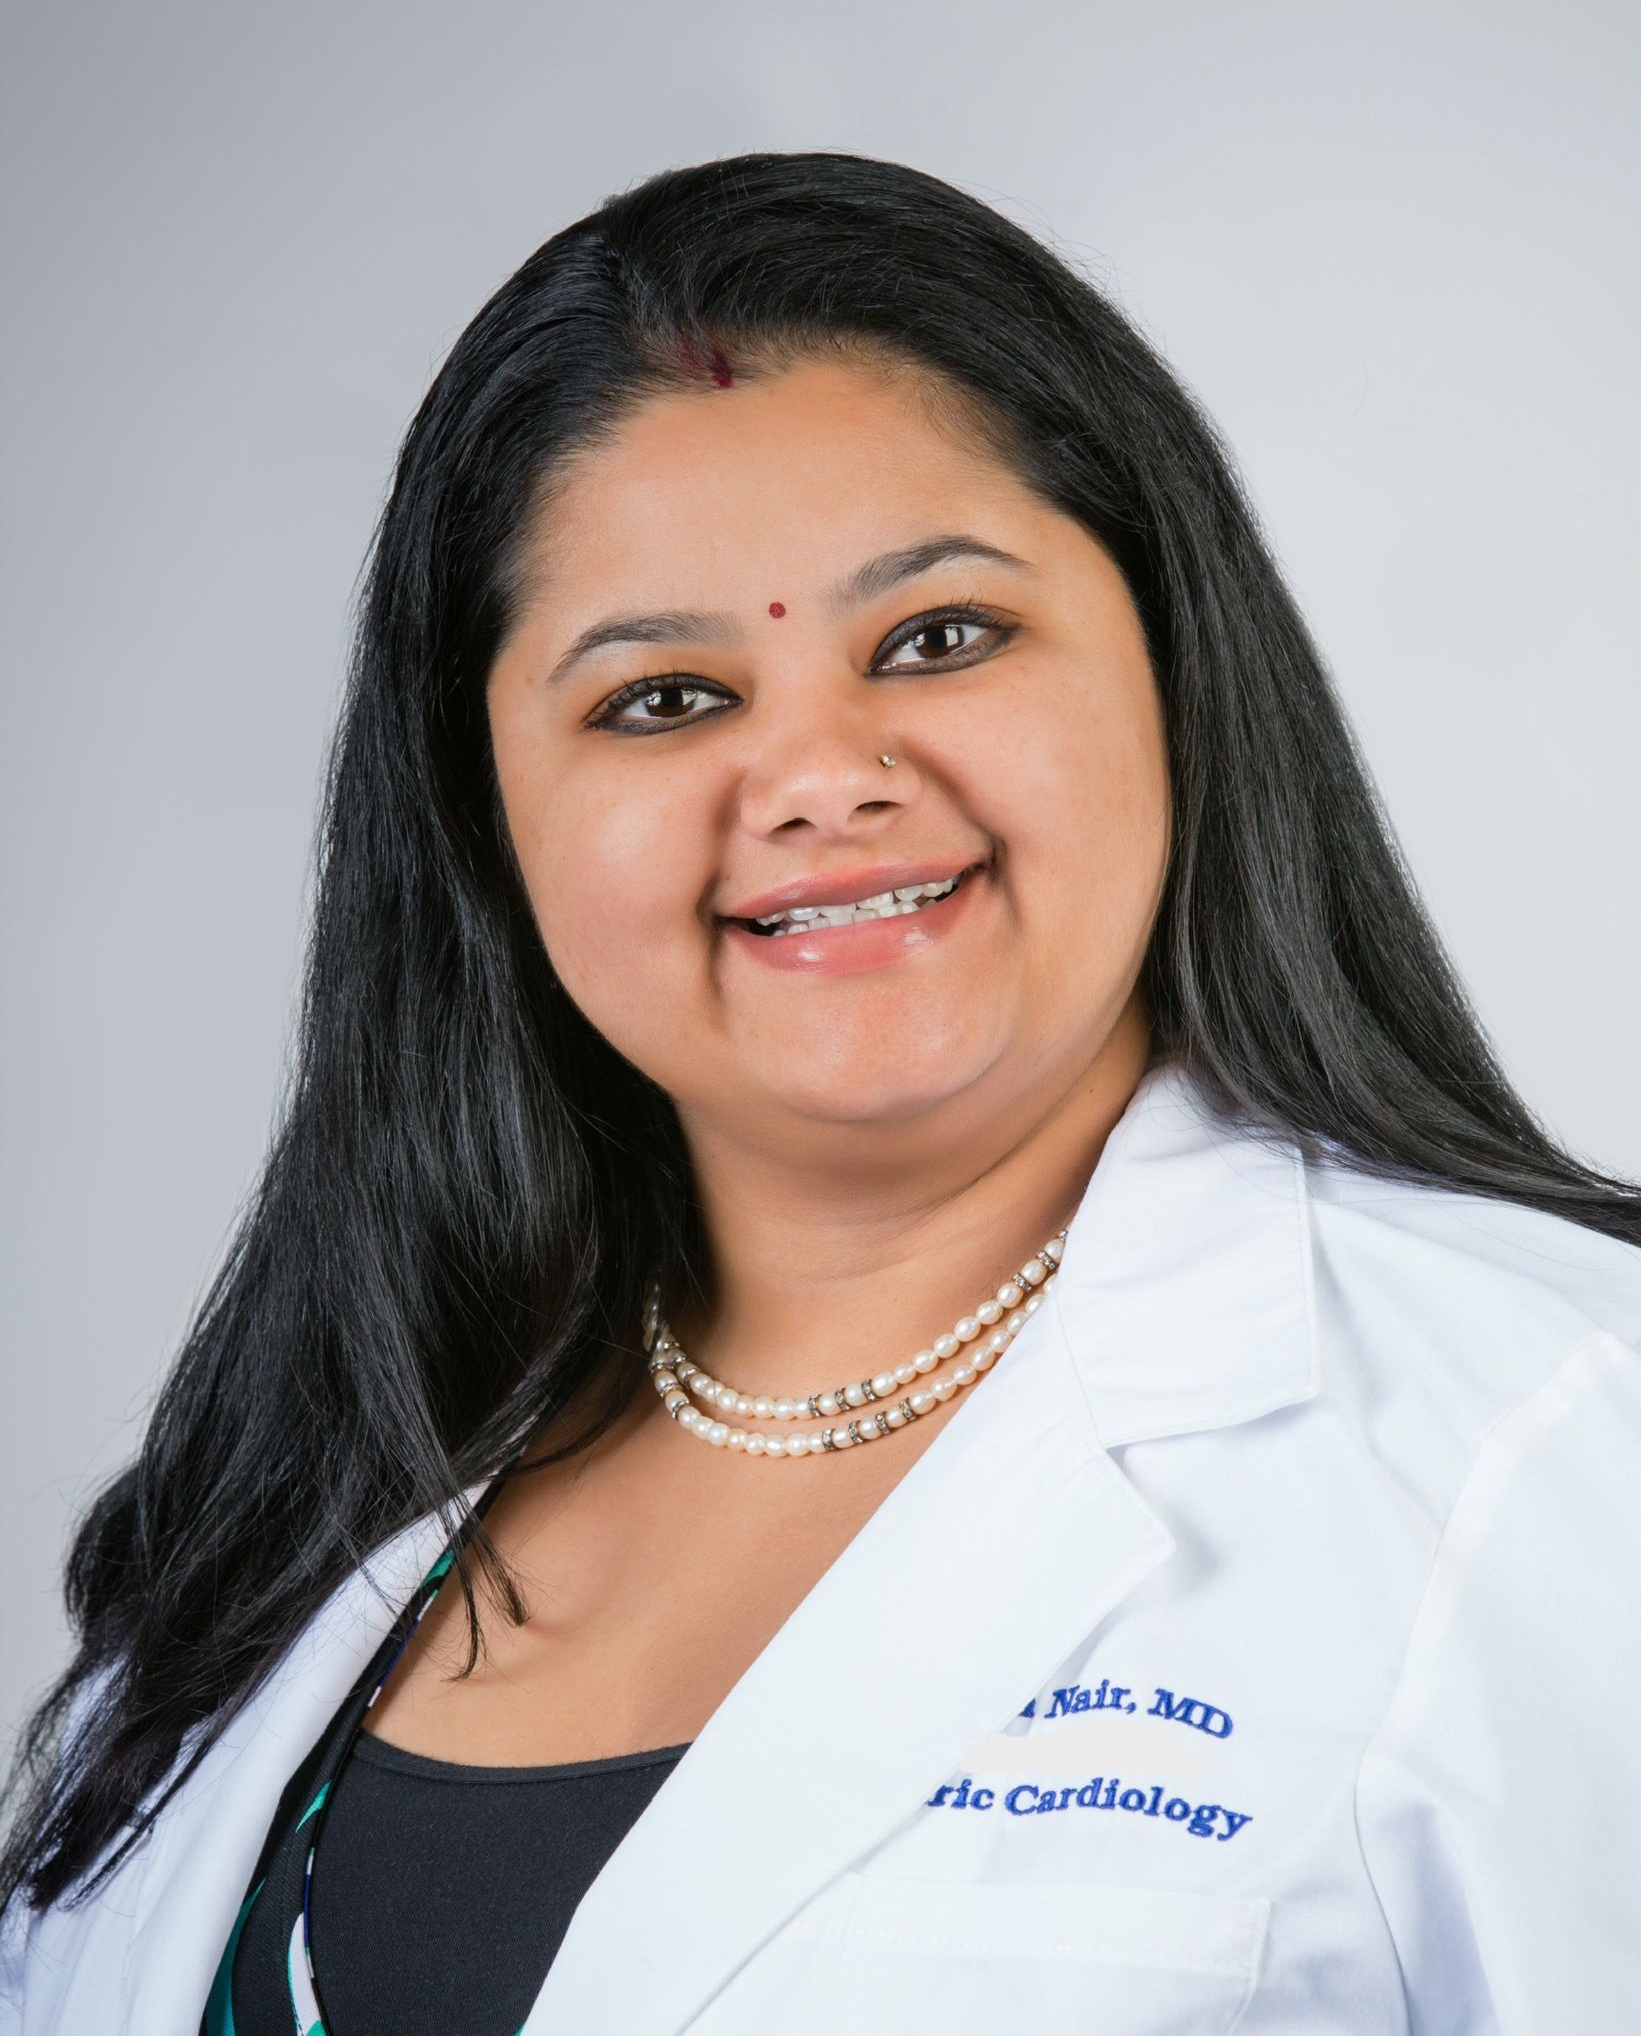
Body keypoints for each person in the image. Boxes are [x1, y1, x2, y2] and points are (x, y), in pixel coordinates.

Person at [2, 149, 1638, 2036]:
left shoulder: (1557, 1448)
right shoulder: (312, 1488)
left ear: (1180, 672)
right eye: (664, 699)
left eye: (939, 638)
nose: (820, 777)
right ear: (484, 816)